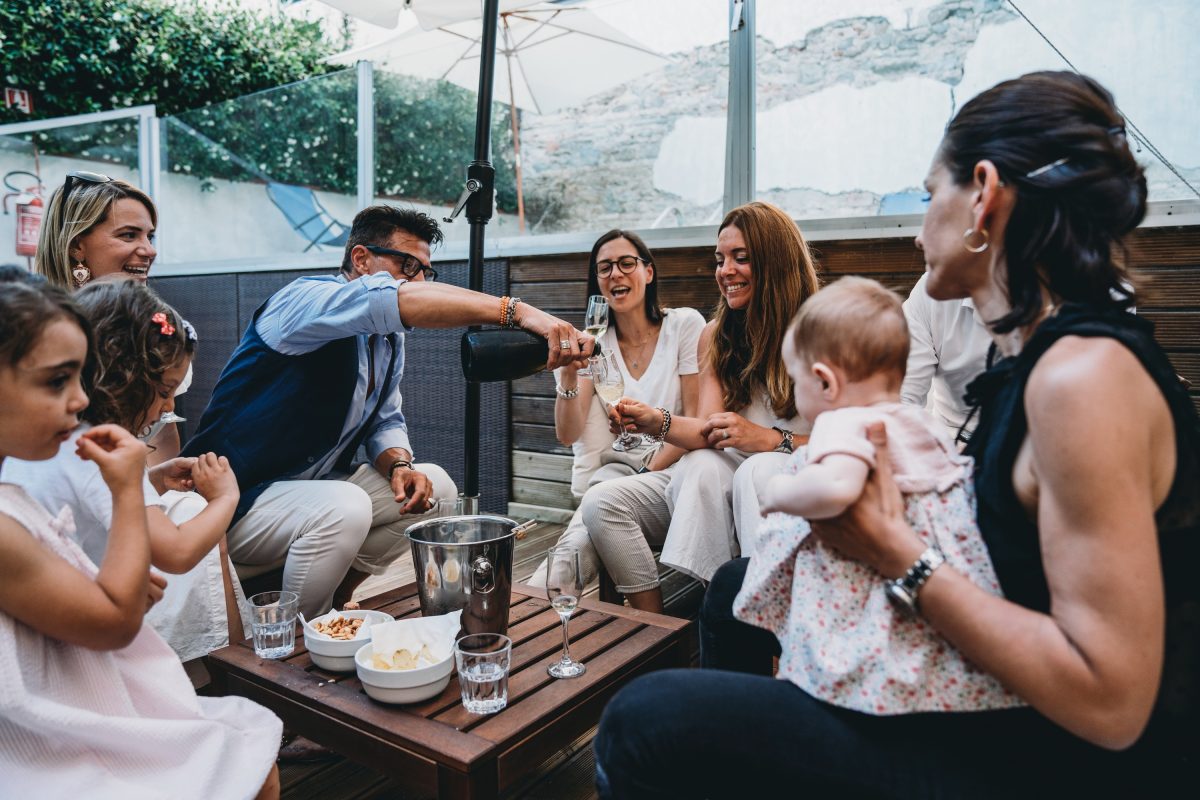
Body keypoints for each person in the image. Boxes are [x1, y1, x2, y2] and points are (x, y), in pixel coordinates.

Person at [592, 71, 1200, 798]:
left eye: (926, 194)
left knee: (642, 719)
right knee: (731, 590)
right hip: (995, 687)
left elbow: (1112, 703)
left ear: (983, 194)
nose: (918, 228)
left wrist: (893, 553)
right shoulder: (1037, 354)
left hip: (1039, 753)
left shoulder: (1084, 381)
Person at [185, 205, 591, 616]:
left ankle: (340, 595)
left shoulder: (388, 340)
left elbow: (385, 420)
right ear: (361, 259)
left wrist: (399, 465)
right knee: (345, 506)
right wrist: (520, 312)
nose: (417, 280)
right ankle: (295, 637)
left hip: (309, 492)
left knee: (436, 487)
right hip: (232, 502)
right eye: (407, 265)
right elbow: (391, 300)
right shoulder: (304, 300)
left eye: (425, 271)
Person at [0, 280, 281, 800]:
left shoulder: (18, 474)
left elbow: (52, 548)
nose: (80, 397)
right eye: (58, 380)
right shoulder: (85, 451)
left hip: (57, 662)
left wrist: (144, 484)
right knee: (249, 754)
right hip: (54, 701)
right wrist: (222, 499)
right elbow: (124, 608)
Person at [743, 276, 1019, 714]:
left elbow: (837, 489)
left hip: (871, 577)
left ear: (825, 381)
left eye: (796, 382)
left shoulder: (846, 422)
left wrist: (780, 491)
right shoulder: (919, 423)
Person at [581, 201, 818, 611]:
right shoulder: (716, 335)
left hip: (795, 473)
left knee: (751, 471)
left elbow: (846, 441)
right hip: (719, 475)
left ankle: (750, 612)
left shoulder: (822, 331)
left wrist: (767, 440)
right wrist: (656, 421)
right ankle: (669, 625)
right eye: (720, 259)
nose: (725, 271)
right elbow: (708, 431)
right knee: (607, 500)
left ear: (776, 262)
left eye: (741, 259)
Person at [2, 281, 244, 662]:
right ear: (122, 378)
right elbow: (176, 552)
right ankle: (233, 665)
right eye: (164, 392)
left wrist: (151, 479)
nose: (167, 408)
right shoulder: (99, 448)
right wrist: (225, 497)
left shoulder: (48, 448)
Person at [529, 230, 704, 588]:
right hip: (616, 474)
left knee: (589, 529)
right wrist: (567, 374)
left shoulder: (685, 326)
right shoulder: (594, 342)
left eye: (627, 263)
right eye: (604, 268)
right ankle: (522, 628)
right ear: (597, 281)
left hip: (677, 467)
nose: (615, 274)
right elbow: (567, 434)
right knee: (566, 560)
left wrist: (647, 466)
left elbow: (699, 418)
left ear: (649, 272)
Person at [32, 170, 191, 461]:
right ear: (76, 245)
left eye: (150, 236)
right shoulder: (31, 330)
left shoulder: (160, 325)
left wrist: (158, 494)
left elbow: (164, 435)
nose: (150, 250)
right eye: (129, 235)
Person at [900, 271, 992, 443]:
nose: (919, 242)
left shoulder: (1050, 293)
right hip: (951, 436)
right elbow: (904, 397)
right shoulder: (931, 289)